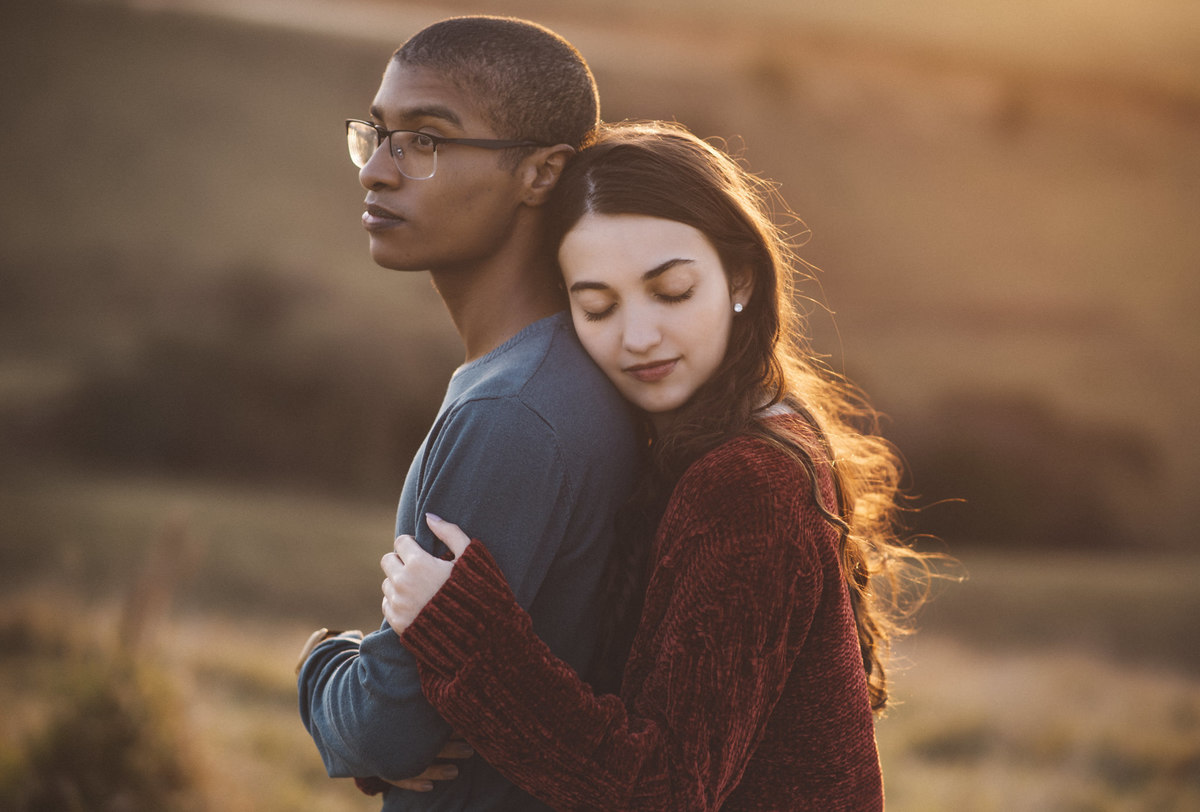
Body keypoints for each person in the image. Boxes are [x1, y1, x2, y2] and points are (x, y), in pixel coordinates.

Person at [379, 121, 941, 810]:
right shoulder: (727, 438)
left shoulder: (748, 482)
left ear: (740, 278)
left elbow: (665, 792)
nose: (639, 337)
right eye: (598, 307)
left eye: (671, 291)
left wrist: (467, 639)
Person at [295, 17, 639, 809]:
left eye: (424, 140)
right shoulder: (543, 375)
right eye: (377, 134)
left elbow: (389, 730)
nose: (375, 171)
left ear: (542, 174)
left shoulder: (513, 412)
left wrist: (317, 666)